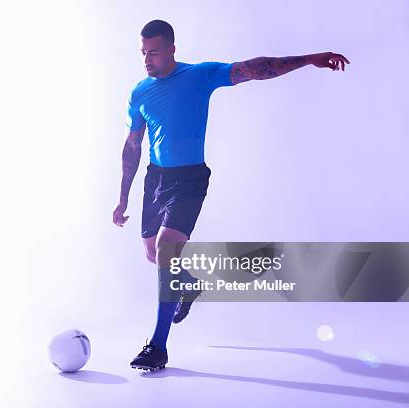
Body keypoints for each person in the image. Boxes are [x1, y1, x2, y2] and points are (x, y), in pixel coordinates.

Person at [112, 19, 349, 371]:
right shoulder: (140, 92)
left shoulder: (199, 76)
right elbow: (133, 144)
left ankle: (157, 346)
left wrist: (309, 58)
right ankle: (188, 285)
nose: (147, 60)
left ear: (172, 49)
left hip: (189, 178)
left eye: (155, 52)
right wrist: (123, 197)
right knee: (154, 255)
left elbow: (254, 69)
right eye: (143, 53)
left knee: (165, 249)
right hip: (155, 179)